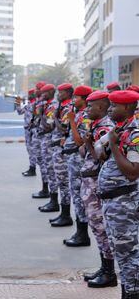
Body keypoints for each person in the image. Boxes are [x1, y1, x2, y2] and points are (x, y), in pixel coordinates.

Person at [98, 90, 139, 298]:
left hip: (124, 203)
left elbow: (133, 171)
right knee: (122, 254)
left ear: (128, 108)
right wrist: (107, 145)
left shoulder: (134, 134)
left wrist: (113, 145)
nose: (110, 109)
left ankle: (132, 293)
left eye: (114, 106)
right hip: (114, 203)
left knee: (129, 254)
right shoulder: (119, 128)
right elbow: (98, 150)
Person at [80, 91, 117, 288]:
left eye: (90, 106)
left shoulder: (104, 129)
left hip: (96, 183)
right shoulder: (96, 126)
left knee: (101, 227)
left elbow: (101, 158)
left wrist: (87, 143)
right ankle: (104, 267)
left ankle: (109, 272)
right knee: (96, 227)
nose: (86, 109)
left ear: (101, 107)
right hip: (90, 182)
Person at [62, 85, 92, 247]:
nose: (74, 100)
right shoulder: (80, 113)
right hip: (73, 160)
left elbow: (80, 141)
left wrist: (72, 121)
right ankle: (79, 232)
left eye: (77, 97)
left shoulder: (85, 116)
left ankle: (83, 235)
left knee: (80, 197)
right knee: (76, 195)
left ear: (85, 99)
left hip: (79, 161)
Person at [49, 83, 73, 227]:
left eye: (61, 92)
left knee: (64, 182)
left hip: (63, 148)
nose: (59, 94)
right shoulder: (61, 106)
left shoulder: (67, 108)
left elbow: (63, 128)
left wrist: (56, 117)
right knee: (60, 180)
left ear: (69, 92)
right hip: (58, 147)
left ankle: (66, 215)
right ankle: (63, 213)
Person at [37, 84, 60, 213]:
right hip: (47, 141)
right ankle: (52, 199)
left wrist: (40, 115)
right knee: (48, 170)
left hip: (51, 143)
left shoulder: (53, 106)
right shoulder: (47, 104)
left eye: (44, 93)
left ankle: (54, 202)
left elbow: (48, 126)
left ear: (51, 92)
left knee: (52, 172)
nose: (42, 95)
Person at [30, 82, 50, 199]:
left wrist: (41, 112)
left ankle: (46, 190)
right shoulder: (39, 102)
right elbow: (35, 115)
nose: (35, 91)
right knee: (41, 163)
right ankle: (44, 188)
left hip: (46, 139)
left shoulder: (49, 105)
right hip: (39, 136)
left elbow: (48, 124)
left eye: (38, 89)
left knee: (46, 165)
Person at [15, 89, 37, 176]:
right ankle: (32, 167)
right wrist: (18, 103)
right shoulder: (28, 104)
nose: (29, 96)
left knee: (32, 149)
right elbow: (20, 112)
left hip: (33, 129)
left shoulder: (35, 104)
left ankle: (33, 169)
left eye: (31, 94)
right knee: (29, 149)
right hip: (28, 129)